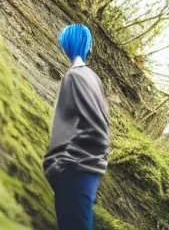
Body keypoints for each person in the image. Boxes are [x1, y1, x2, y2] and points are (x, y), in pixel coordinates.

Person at [43, 24, 110, 230]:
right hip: (80, 169)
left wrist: (62, 163)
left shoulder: (76, 76)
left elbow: (96, 127)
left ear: (67, 44)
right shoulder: (90, 77)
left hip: (75, 169)